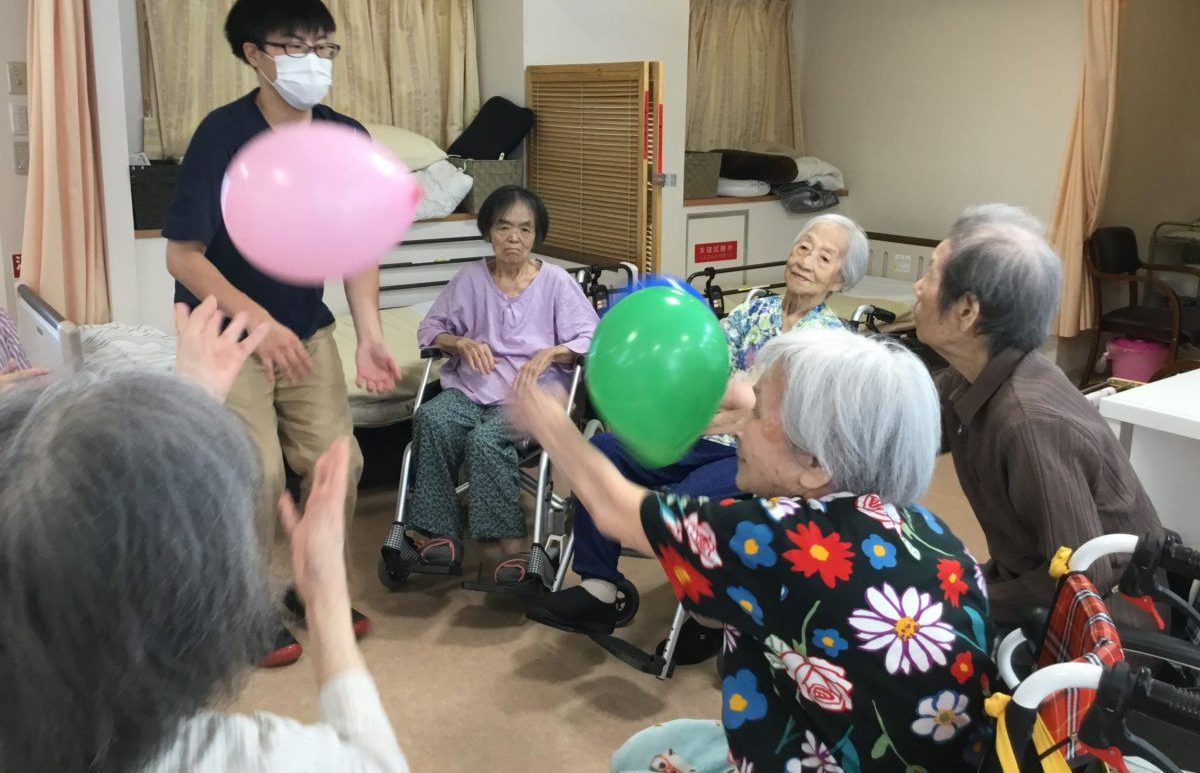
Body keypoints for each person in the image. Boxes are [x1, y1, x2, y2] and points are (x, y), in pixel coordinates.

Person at [510, 327, 996, 772]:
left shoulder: (783, 538)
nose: (739, 429)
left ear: (813, 462)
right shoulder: (933, 531)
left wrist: (550, 420)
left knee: (635, 760)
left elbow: (616, 512)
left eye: (759, 413)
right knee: (646, 750)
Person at [0, 297, 408, 773]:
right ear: (207, 617)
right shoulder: (243, 756)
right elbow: (373, 761)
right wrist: (325, 598)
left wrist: (192, 405)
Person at [163, 0, 401, 666]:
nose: (311, 60)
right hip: (228, 332)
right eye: (294, 47)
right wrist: (258, 320)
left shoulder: (344, 137)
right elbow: (183, 254)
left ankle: (308, 585)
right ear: (254, 56)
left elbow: (357, 246)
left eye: (322, 47)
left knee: (339, 462)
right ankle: (247, 604)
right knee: (256, 471)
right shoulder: (223, 135)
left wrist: (371, 334)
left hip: (306, 329)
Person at [526, 214, 868, 638]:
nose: (806, 260)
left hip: (758, 454)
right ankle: (598, 588)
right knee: (605, 452)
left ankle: (708, 611)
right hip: (702, 433)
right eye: (803, 246)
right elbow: (707, 364)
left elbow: (784, 419)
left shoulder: (829, 344)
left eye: (824, 256)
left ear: (840, 280)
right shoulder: (756, 310)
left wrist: (717, 412)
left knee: (684, 501)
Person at [912, 203, 1162, 628]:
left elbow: (1080, 580)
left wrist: (955, 601)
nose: (917, 288)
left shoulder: (1030, 422)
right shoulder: (970, 377)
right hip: (1026, 588)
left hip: (1106, 635)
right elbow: (899, 432)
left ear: (967, 311)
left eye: (931, 274)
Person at [402, 186, 598, 585]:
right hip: (473, 388)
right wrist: (460, 342)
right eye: (504, 227)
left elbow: (591, 337)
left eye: (525, 229)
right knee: (431, 419)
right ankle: (440, 534)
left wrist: (551, 353)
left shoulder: (556, 282)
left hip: (532, 397)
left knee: (486, 441)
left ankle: (510, 547)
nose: (514, 238)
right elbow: (431, 329)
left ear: (536, 235)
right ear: (488, 231)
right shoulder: (471, 277)